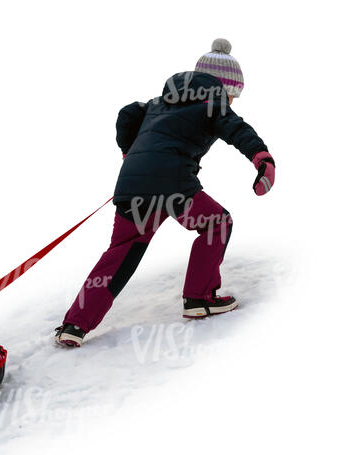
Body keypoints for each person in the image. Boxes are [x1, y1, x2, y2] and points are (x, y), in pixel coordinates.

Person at [55, 38, 275, 348]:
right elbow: (237, 129)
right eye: (234, 94)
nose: (233, 101)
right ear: (225, 88)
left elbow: (127, 114)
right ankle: (200, 297)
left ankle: (74, 325)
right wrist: (262, 159)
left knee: (121, 252)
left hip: (132, 184)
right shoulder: (213, 102)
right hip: (173, 184)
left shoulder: (159, 103)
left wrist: (129, 153)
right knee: (216, 222)